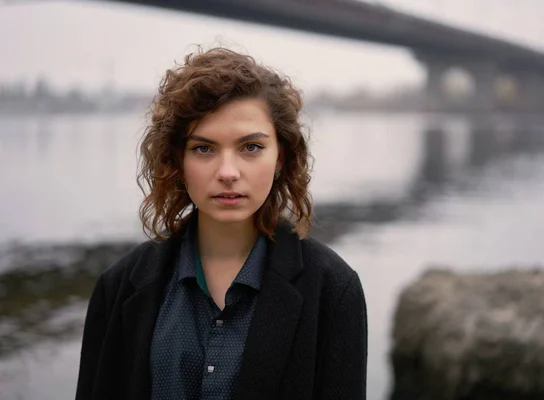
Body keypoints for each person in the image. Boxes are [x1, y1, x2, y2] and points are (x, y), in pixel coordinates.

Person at [75, 46, 368, 400]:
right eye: (203, 149)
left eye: (251, 148)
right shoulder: (118, 287)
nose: (228, 173)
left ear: (281, 158)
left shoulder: (333, 290)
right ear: (177, 160)